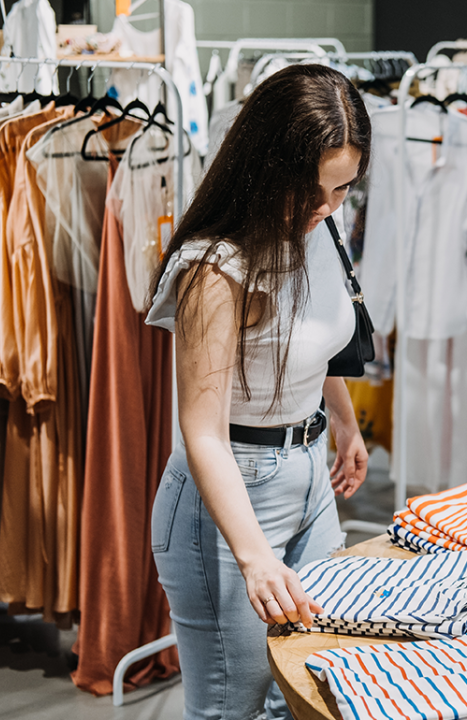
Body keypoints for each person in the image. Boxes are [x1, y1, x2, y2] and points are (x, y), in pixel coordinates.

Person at [145, 64, 371, 719]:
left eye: (342, 189)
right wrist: (253, 559)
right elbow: (203, 430)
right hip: (231, 496)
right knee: (230, 706)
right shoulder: (215, 267)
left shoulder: (318, 226)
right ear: (267, 168)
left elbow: (308, 333)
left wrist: (345, 422)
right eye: (314, 191)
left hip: (309, 479)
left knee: (305, 690)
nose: (328, 208)